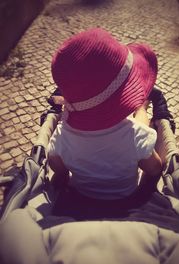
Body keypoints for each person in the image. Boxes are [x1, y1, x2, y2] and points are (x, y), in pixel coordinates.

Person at [47, 28, 162, 201]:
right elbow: (154, 168)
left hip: (82, 198)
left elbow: (55, 164)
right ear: (121, 98)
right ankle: (141, 109)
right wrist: (141, 110)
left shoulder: (63, 137)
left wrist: (64, 174)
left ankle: (141, 109)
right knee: (140, 127)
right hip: (125, 198)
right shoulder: (135, 133)